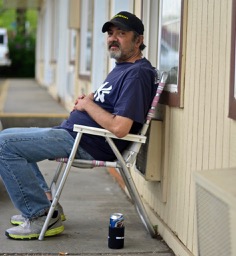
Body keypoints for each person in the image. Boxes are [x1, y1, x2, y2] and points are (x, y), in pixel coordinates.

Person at [0, 11, 157, 240]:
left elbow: (120, 127)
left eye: (121, 34)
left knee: (5, 145)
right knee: (9, 135)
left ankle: (39, 215)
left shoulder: (137, 74)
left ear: (138, 40)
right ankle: (46, 205)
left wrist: (87, 106)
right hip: (74, 134)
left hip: (87, 141)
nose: (113, 38)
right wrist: (90, 101)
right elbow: (108, 103)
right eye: (111, 33)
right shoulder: (122, 68)